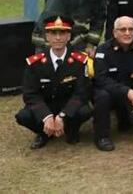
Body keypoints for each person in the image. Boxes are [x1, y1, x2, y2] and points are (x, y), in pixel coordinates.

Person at [16, 16, 91, 149]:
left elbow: (81, 93)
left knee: (85, 111)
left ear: (69, 36)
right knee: (23, 116)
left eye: (62, 33)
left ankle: (71, 130)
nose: (58, 38)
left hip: (67, 105)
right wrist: (46, 116)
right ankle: (44, 134)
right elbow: (30, 94)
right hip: (46, 104)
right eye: (53, 33)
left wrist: (62, 116)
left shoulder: (80, 61)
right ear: (47, 36)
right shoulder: (35, 63)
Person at [92, 16, 133, 152]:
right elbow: (101, 79)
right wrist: (127, 92)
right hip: (109, 92)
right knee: (102, 97)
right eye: (123, 29)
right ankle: (102, 137)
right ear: (114, 32)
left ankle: (124, 118)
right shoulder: (103, 50)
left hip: (131, 93)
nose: (127, 33)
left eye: (131, 29)